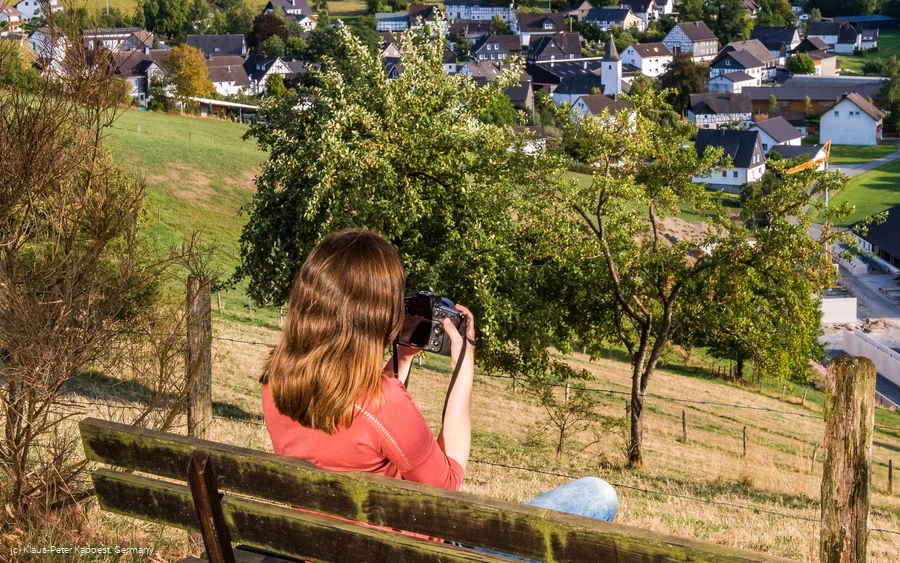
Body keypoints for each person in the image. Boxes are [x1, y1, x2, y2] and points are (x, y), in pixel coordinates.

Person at [261, 229, 617, 537]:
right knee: (597, 495)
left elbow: (353, 428)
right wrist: (464, 363)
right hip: (415, 554)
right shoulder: (382, 402)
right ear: (376, 313)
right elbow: (447, 485)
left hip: (320, 547)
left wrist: (402, 358)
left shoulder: (277, 382)